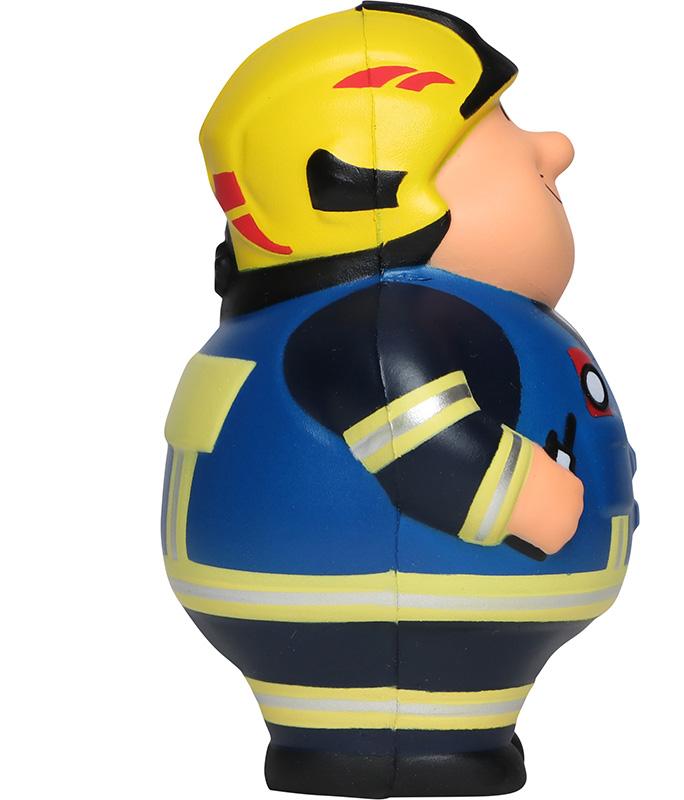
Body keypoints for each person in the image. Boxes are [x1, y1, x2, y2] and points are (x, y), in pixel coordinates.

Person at [163, 3, 637, 795]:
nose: (553, 149)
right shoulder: (378, 332)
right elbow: (424, 447)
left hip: (375, 631)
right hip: (367, 613)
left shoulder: (338, 320)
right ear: (370, 186)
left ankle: (437, 735)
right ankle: (417, 738)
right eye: (497, 128)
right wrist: (529, 499)